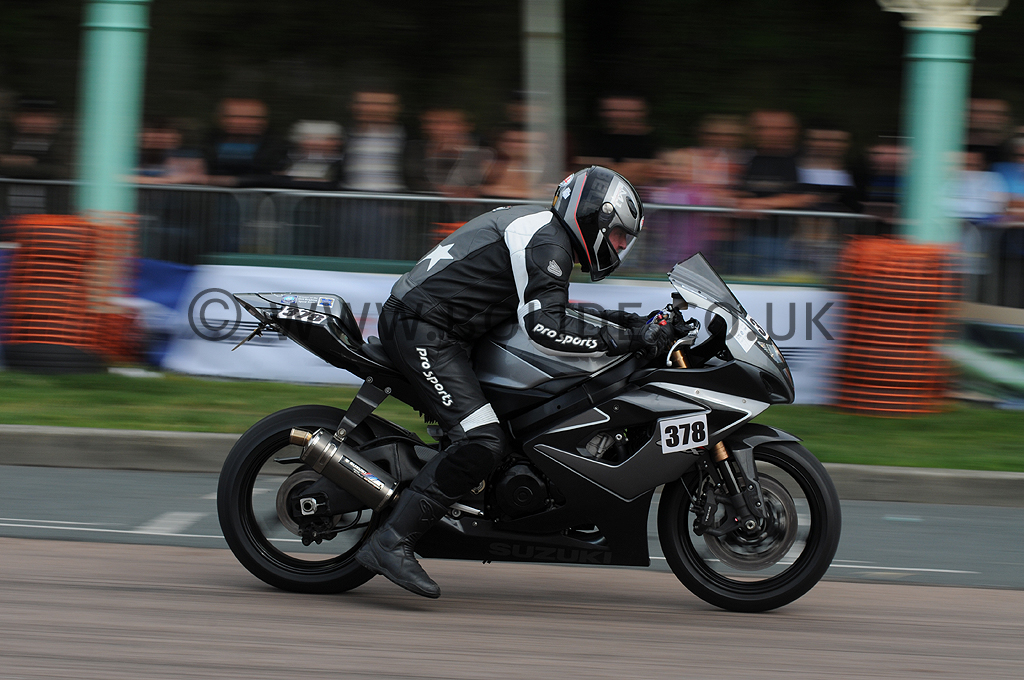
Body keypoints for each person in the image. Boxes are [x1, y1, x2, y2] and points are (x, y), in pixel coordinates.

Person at [355, 166, 672, 598]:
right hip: (424, 329)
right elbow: (546, 326)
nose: (620, 246)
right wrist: (630, 339)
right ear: (594, 217)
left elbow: (558, 309)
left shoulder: (549, 236)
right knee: (483, 440)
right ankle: (391, 542)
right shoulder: (547, 241)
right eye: (618, 235)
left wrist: (634, 323)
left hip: (450, 331)